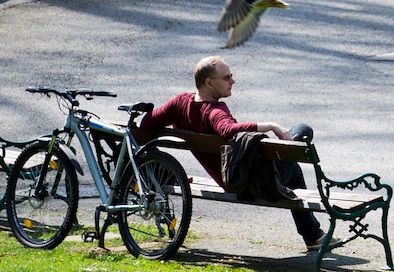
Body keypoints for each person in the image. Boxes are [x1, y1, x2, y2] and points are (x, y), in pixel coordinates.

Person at [135, 56, 323, 251]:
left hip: (227, 177)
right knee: (302, 133)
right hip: (247, 181)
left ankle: (313, 236)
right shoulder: (214, 110)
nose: (232, 81)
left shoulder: (180, 103)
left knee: (292, 163)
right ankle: (313, 236)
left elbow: (147, 124)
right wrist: (270, 125)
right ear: (209, 82)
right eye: (226, 78)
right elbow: (226, 129)